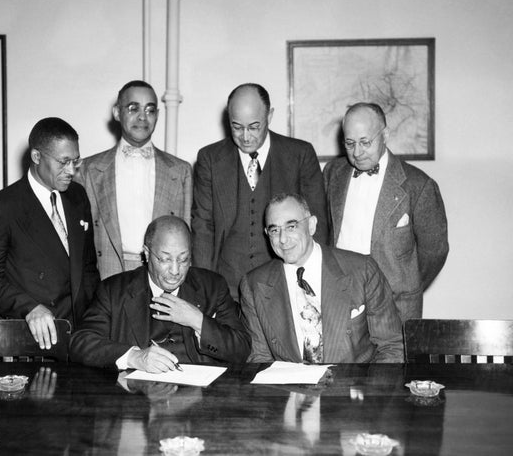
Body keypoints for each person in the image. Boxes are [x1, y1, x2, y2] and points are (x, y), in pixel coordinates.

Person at [0, 117, 100, 349]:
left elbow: (88, 266)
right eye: (63, 162)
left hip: (80, 334)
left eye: (75, 161)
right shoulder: (0, 209)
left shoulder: (78, 196)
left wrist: (94, 318)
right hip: (32, 338)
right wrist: (29, 308)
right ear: (37, 157)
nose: (71, 170)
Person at [192, 83, 327, 301]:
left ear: (270, 115)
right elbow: (203, 228)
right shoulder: (209, 159)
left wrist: (311, 285)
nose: (245, 136)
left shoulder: (300, 155)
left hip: (286, 289)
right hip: (228, 290)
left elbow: (317, 227)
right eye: (237, 127)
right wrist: (204, 290)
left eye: (254, 126)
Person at [69, 215, 250, 372]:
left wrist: (197, 320)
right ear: (147, 254)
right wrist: (135, 357)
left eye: (183, 259)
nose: (175, 270)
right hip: (138, 400)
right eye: (165, 259)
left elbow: (241, 349)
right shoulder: (113, 291)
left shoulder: (212, 286)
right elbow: (80, 343)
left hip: (199, 400)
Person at [240, 193, 403, 363]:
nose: (282, 239)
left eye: (291, 227)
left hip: (352, 386)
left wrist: (367, 389)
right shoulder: (254, 285)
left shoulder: (362, 270)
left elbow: (391, 346)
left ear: (311, 225)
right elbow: (259, 359)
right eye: (274, 230)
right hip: (289, 387)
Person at [323, 102, 449, 322]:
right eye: (350, 143)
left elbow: (435, 252)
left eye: (366, 142)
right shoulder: (333, 172)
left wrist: (406, 283)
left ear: (385, 135)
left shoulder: (419, 185)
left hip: (396, 308)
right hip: (341, 304)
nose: (357, 152)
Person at [76, 80, 192, 279]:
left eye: (150, 110)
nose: (142, 117)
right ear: (116, 112)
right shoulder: (89, 169)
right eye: (133, 108)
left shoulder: (180, 171)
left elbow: (186, 236)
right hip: (105, 274)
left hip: (162, 277)